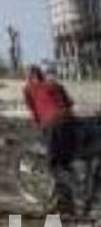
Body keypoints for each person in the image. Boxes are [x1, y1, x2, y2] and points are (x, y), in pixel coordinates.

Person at [25, 65, 86, 211]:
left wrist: (41, 128)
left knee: (54, 165)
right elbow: (69, 105)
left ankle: (78, 188)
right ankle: (65, 201)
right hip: (69, 121)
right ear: (41, 75)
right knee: (64, 161)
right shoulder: (55, 84)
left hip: (53, 124)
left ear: (29, 76)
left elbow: (34, 112)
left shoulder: (28, 88)